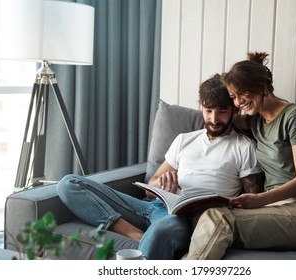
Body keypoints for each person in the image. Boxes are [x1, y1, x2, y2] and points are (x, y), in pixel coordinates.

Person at [56, 74, 264, 260]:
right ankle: (135, 235)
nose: (213, 119)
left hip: (185, 219)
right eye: (208, 110)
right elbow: (149, 189)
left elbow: (251, 201)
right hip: (152, 207)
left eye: (221, 112)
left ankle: (147, 240)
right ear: (201, 106)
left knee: (160, 232)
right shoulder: (185, 140)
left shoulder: (243, 147)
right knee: (69, 183)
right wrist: (161, 184)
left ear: (233, 110)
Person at [182, 52, 296, 260]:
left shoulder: (295, 118)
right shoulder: (255, 122)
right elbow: (219, 124)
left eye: (243, 93)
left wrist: (259, 199)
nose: (239, 102)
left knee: (217, 219)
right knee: (201, 217)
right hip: (274, 210)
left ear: (262, 85)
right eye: (233, 97)